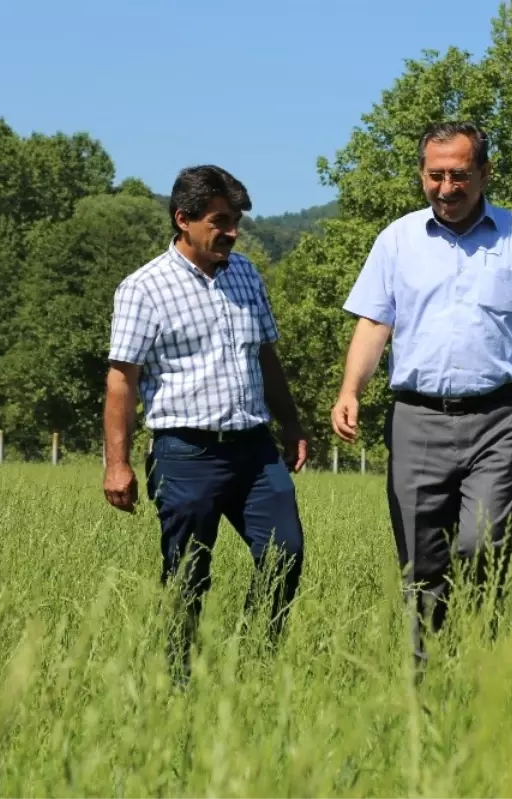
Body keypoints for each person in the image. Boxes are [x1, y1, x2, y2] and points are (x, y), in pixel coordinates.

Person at [331, 121, 512, 660]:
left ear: (485, 173)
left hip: (501, 419)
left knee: (479, 544)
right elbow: (375, 324)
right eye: (435, 175)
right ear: (422, 174)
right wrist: (351, 389)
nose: (447, 188)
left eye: (460, 176)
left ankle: (478, 656)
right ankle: (426, 677)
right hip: (416, 420)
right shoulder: (397, 240)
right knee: (421, 565)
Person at [103, 164, 308, 682]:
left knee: (285, 553)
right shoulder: (143, 288)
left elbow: (266, 356)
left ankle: (257, 667)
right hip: (185, 453)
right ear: (184, 220)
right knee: (188, 574)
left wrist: (292, 425)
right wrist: (117, 464)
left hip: (254, 449)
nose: (232, 231)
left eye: (236, 219)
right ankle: (178, 682)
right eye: (220, 220)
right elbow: (122, 380)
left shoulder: (246, 274)